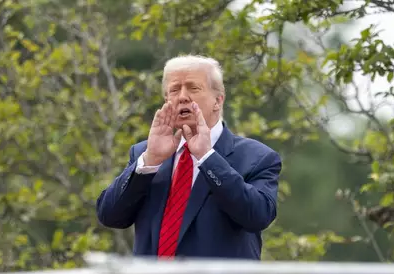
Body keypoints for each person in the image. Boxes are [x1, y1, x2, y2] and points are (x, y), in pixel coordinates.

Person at [96, 55, 282, 260]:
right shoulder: (146, 153)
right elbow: (110, 216)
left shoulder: (257, 157)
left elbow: (258, 216)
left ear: (218, 101)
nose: (182, 97)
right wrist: (150, 160)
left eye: (193, 88)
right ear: (167, 100)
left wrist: (207, 157)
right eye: (174, 90)